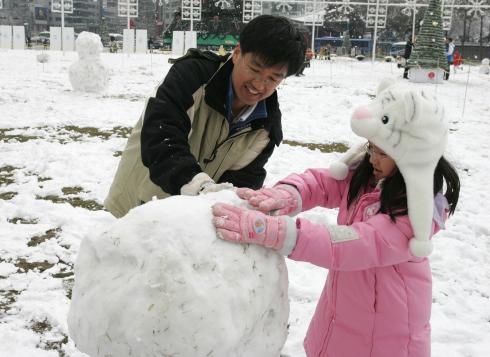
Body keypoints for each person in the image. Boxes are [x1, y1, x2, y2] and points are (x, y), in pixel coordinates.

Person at [212, 82, 461, 357]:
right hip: (343, 315)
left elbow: (351, 245)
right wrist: (286, 194)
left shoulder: (412, 217)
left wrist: (274, 232)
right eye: (371, 148)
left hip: (388, 338)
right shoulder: (368, 178)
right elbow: (321, 183)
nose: (373, 158)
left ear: (413, 156)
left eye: (384, 153)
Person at [104, 15, 307, 218]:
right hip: (134, 209)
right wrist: (201, 187)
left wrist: (240, 206)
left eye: (273, 78)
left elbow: (243, 183)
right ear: (237, 53)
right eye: (255, 69)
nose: (259, 85)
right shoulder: (193, 77)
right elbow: (161, 138)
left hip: (190, 228)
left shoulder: (266, 127)